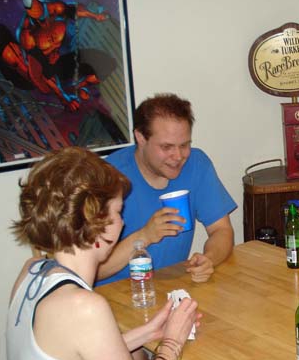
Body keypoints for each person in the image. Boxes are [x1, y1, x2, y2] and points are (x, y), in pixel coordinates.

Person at [7, 147, 272, 360]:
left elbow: (78, 358)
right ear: (97, 224)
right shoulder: (84, 307)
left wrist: (150, 332)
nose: (122, 223)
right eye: (119, 213)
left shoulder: (34, 272)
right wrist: (172, 343)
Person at [96, 93, 236, 286]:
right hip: (111, 296)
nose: (178, 156)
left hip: (171, 288)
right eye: (166, 147)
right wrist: (144, 236)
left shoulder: (197, 164)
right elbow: (92, 270)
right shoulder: (105, 178)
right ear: (140, 138)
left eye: (184, 145)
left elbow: (221, 230)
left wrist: (209, 259)